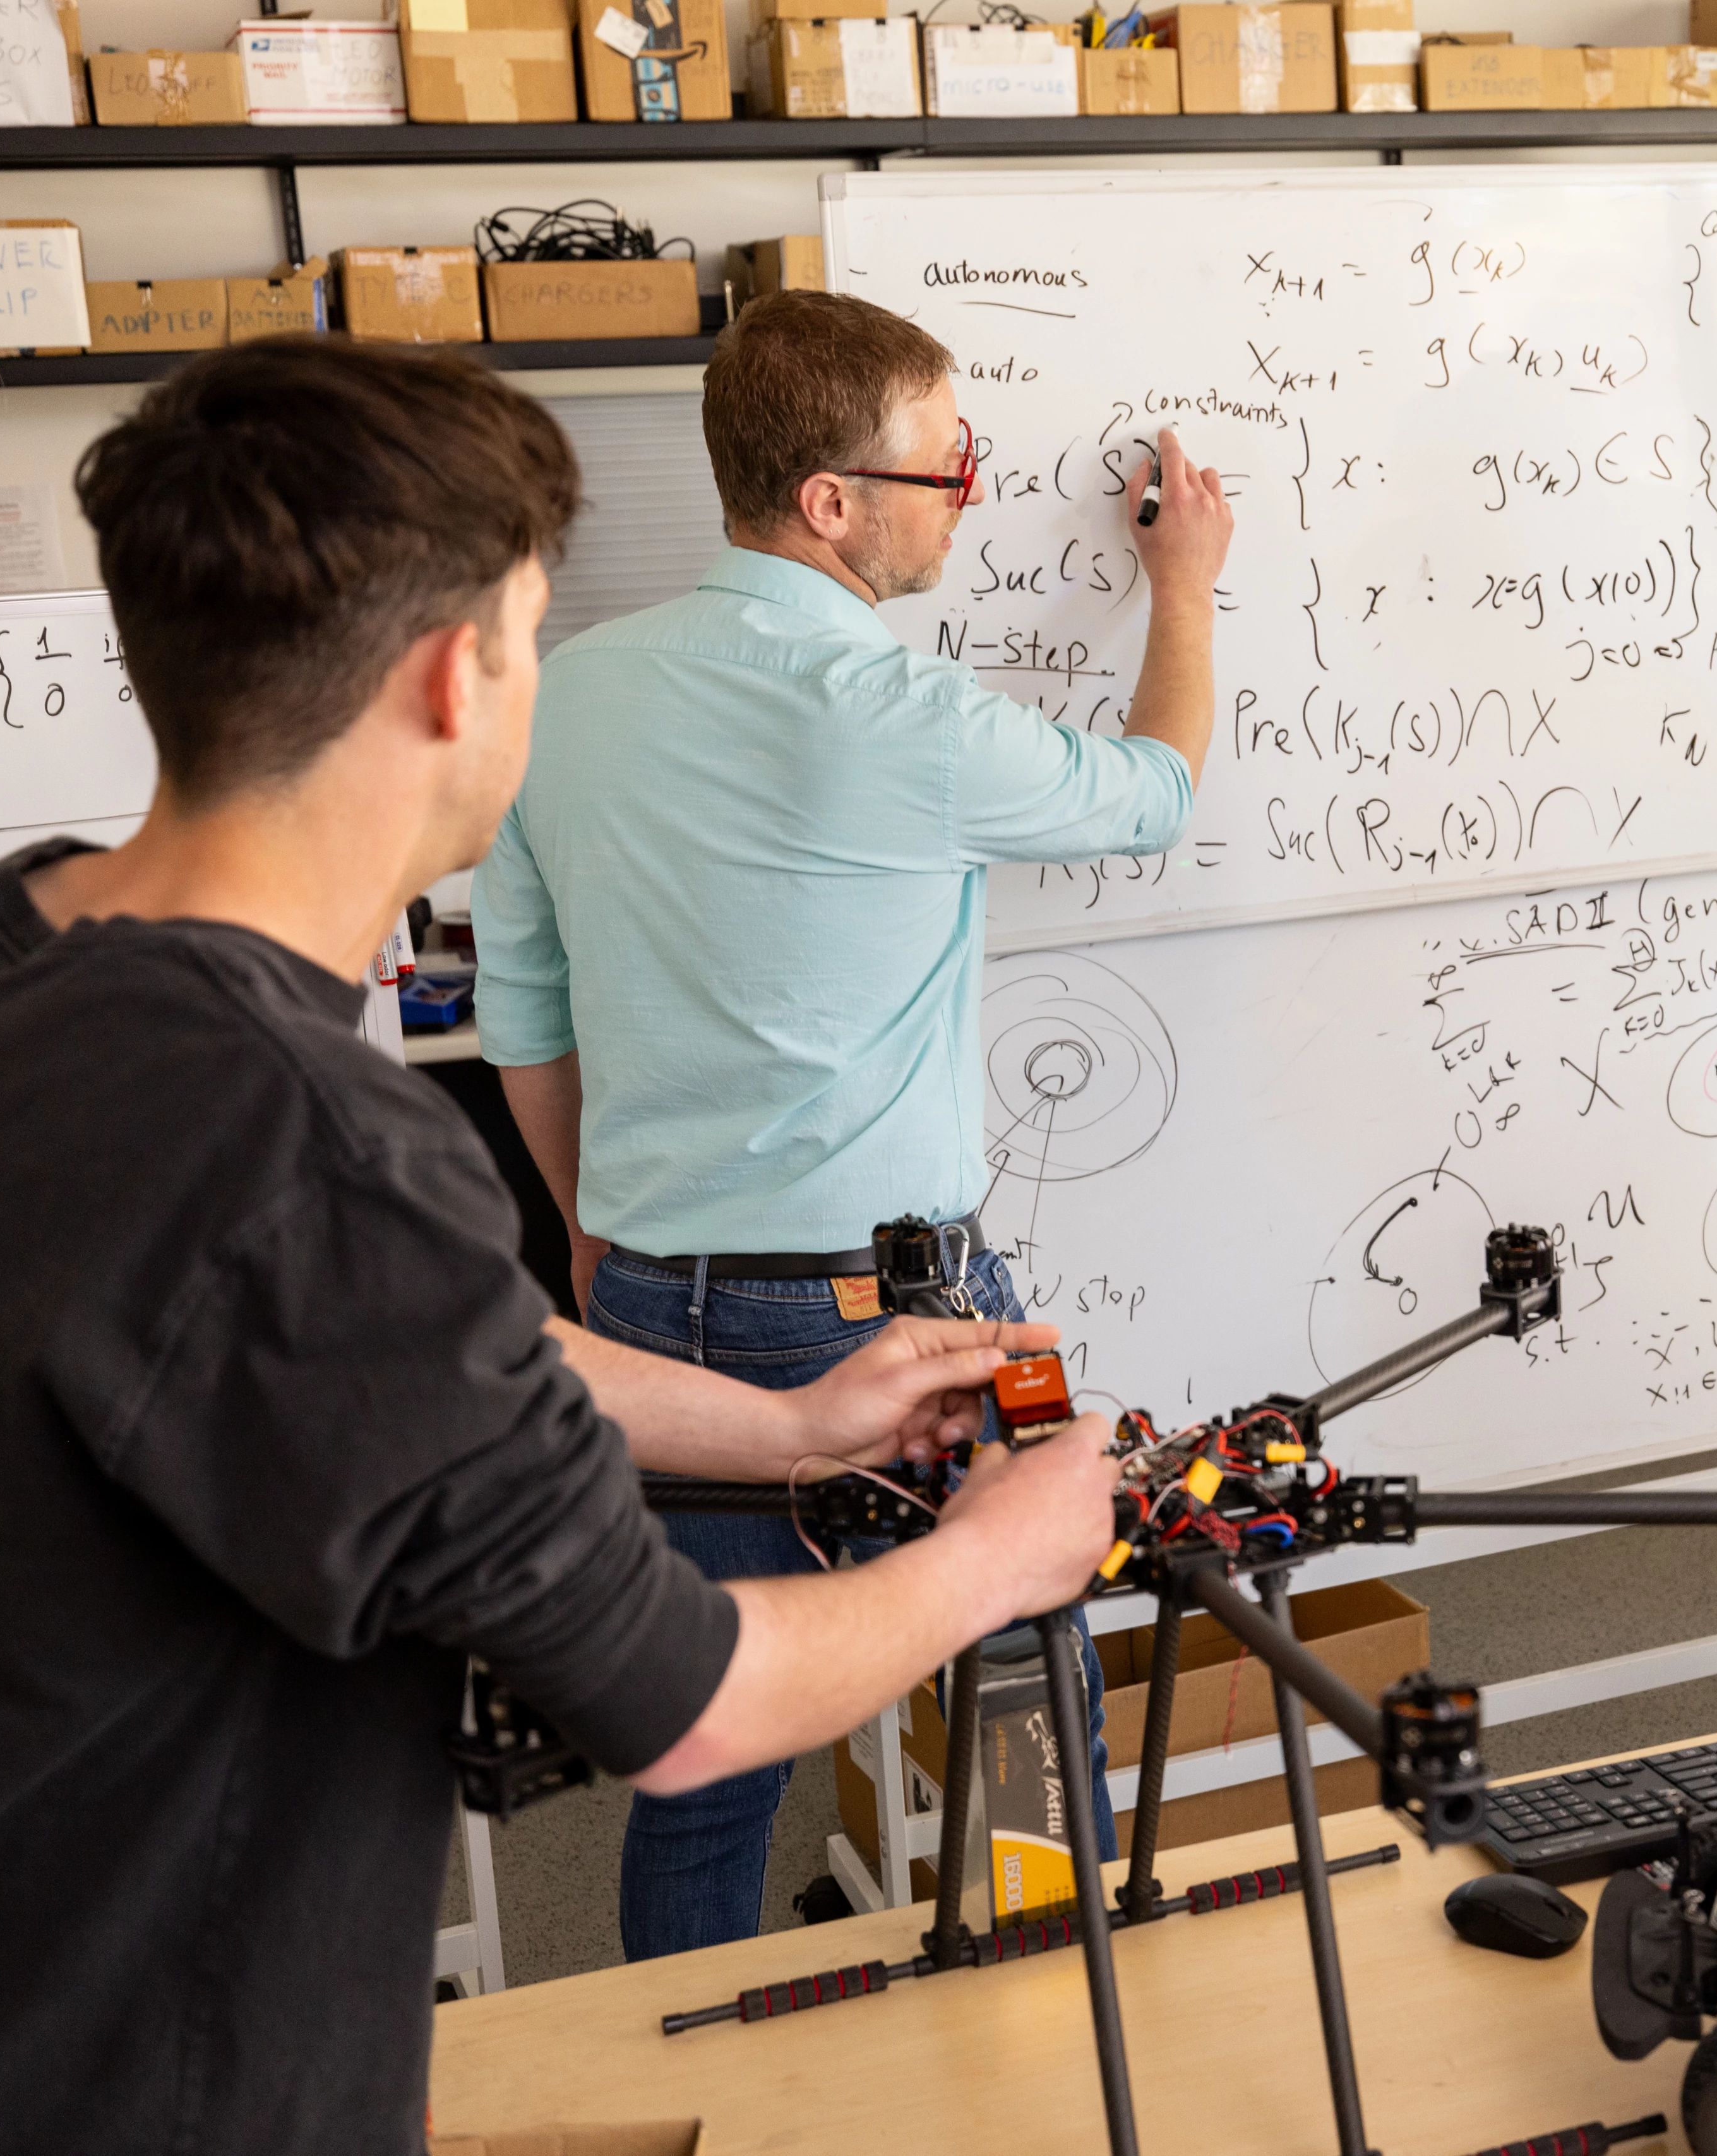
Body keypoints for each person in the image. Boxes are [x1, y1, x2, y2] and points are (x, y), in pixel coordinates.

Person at [0, 338, 1121, 2154]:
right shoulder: (320, 1149)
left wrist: (799, 1430)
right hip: (151, 2082)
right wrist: (994, 1555)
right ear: (453, 675)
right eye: (529, 631)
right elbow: (686, 1696)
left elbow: (382, 1341)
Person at [472, 288, 1234, 1957]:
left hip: (654, 1305)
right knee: (1030, 1672)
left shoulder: (564, 695)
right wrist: (1183, 590)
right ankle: (1058, 2048)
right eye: (948, 466)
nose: (969, 492)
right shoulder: (902, 717)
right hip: (908, 1313)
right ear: (832, 500)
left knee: (708, 1736)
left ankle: (700, 2082)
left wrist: (597, 1239)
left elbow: (523, 1018)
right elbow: (1157, 792)